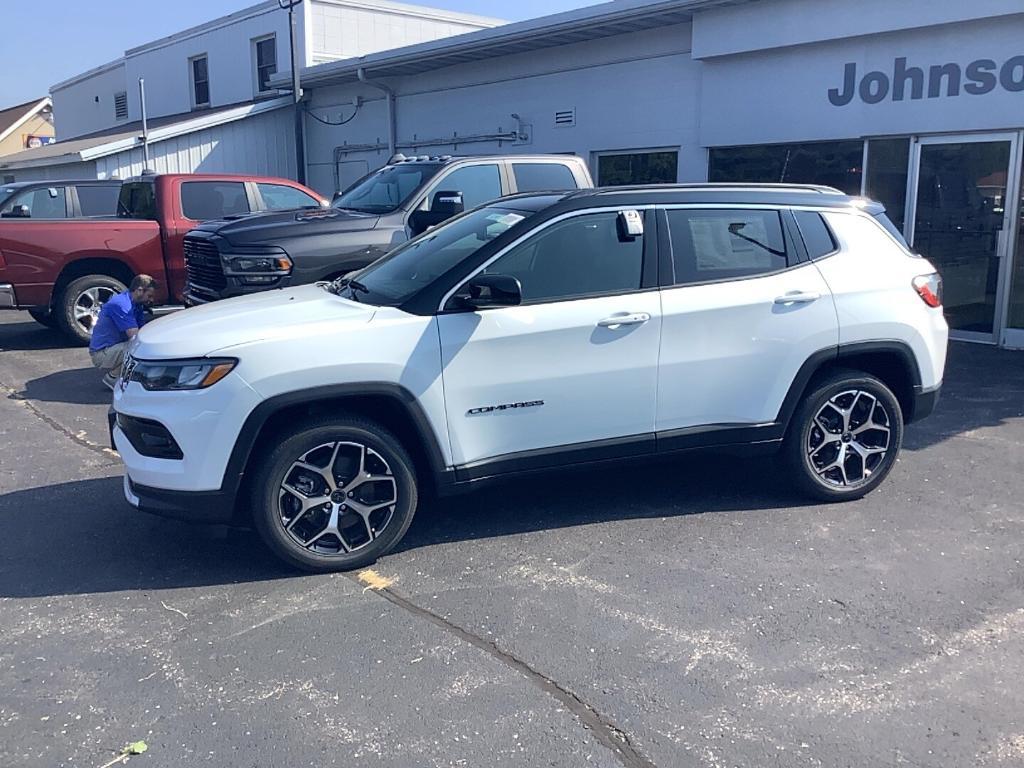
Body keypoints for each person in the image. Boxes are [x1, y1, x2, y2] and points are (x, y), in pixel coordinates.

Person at [89, 275, 158, 390]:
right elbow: (135, 336)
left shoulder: (136, 304)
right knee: (140, 346)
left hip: (115, 347)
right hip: (102, 354)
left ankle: (128, 375)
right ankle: (113, 377)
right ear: (139, 290)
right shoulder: (122, 305)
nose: (151, 300)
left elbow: (143, 330)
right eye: (149, 296)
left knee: (143, 345)